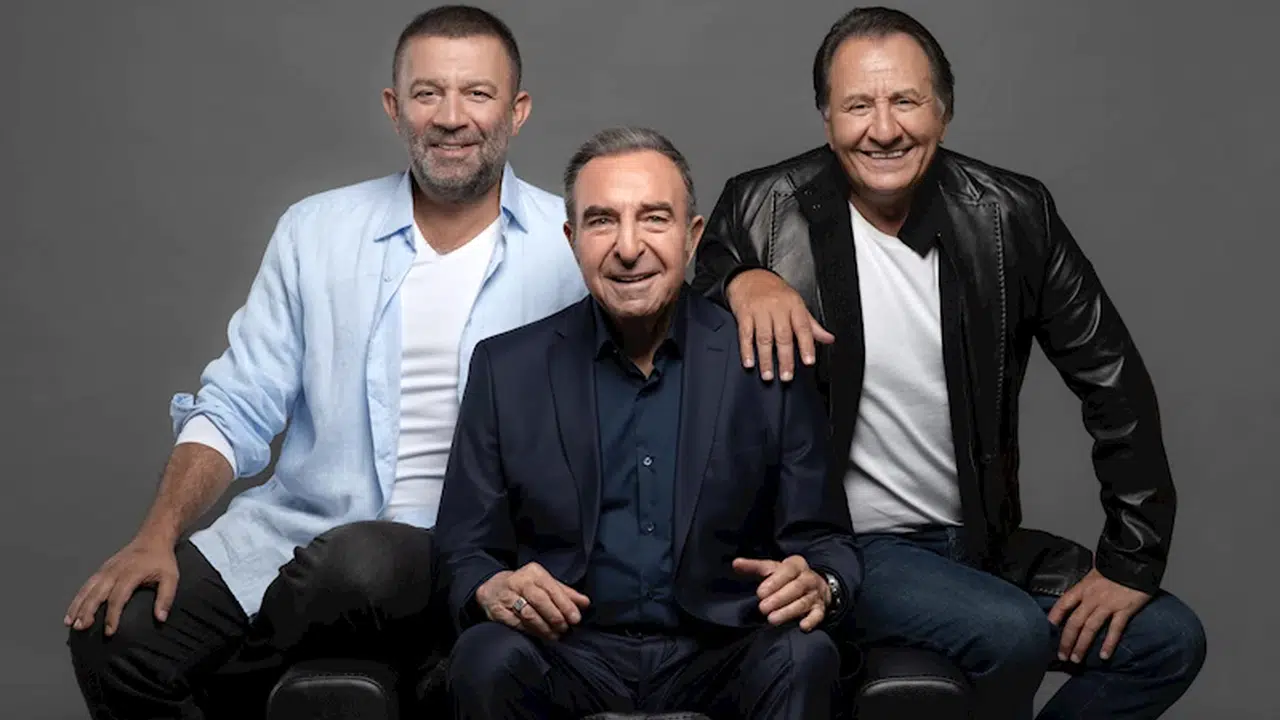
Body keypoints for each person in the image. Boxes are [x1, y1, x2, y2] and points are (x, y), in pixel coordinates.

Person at [65, 6, 586, 718]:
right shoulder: (316, 232)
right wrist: (155, 536)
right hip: (301, 545)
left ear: (516, 111)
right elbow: (237, 406)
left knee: (361, 563)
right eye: (428, 93)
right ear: (394, 107)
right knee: (115, 634)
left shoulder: (572, 245)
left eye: (477, 93)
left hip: (473, 555)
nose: (450, 117)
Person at [691, 7, 1206, 719]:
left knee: (1168, 640)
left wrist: (1131, 560)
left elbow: (1112, 382)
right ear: (826, 119)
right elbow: (679, 310)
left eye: (905, 100)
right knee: (1010, 631)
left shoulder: (1012, 214)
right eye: (858, 106)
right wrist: (739, 280)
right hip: (846, 552)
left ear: (944, 110)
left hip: (981, 545)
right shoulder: (762, 210)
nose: (883, 129)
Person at [435, 126, 861, 719]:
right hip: (566, 649)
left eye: (654, 219)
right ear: (572, 239)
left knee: (804, 656)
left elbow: (827, 541)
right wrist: (491, 586)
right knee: (484, 657)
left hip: (726, 647)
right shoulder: (506, 368)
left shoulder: (765, 358)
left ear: (692, 237)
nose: (629, 247)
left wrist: (820, 583)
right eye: (602, 221)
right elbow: (463, 549)